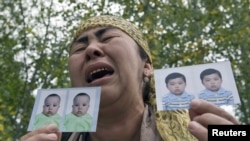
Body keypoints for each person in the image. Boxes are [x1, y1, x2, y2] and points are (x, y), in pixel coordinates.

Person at [21, 15, 239, 141]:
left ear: (146, 66)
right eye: (79, 48)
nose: (92, 50)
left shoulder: (203, 129)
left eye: (108, 38)